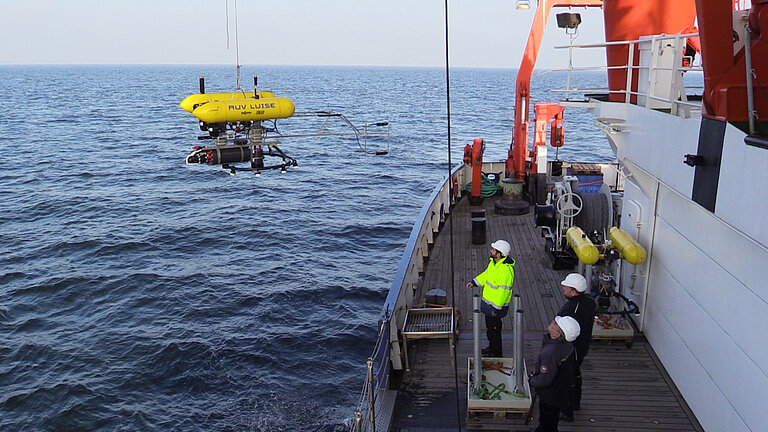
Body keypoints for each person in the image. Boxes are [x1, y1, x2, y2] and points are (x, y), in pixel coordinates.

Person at [529, 316, 580, 432]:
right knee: (549, 422)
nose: (554, 321)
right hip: (560, 393)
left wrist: (531, 381)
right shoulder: (567, 346)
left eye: (557, 323)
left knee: (548, 424)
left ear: (557, 335)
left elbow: (545, 379)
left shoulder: (551, 352)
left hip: (550, 396)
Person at [465, 239, 515, 357]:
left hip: (495, 308)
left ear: (499, 254)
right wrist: (475, 282)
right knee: (490, 330)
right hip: (490, 305)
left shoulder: (506, 270)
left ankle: (496, 353)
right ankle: (491, 348)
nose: (491, 251)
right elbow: (486, 275)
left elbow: (503, 292)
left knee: (495, 330)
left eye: (493, 250)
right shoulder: (494, 264)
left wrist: (496, 310)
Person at [557, 273, 596, 421]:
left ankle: (567, 411)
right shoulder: (588, 302)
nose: (563, 289)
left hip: (572, 349)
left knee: (567, 378)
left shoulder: (572, 310)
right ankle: (575, 403)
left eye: (566, 287)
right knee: (576, 374)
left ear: (574, 291)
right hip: (582, 347)